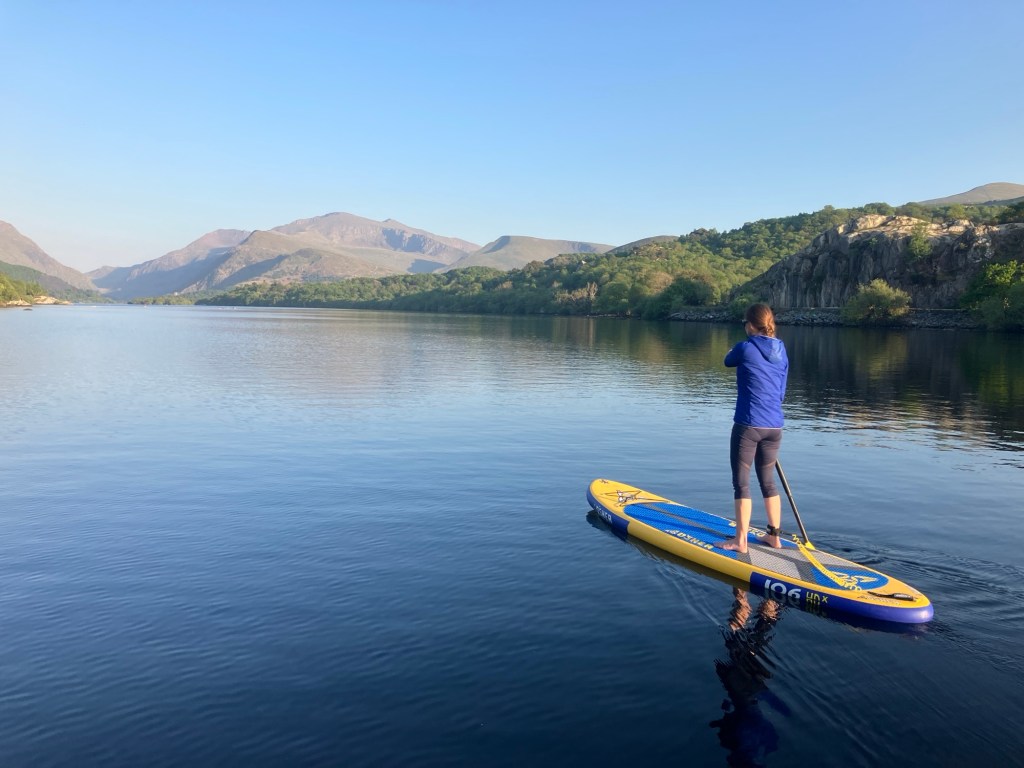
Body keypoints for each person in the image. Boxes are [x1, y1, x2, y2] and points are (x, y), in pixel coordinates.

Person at [718, 303, 789, 554]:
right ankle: (774, 537)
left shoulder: (745, 348)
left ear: (750, 325)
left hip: (748, 425)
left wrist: (735, 348)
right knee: (768, 483)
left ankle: (741, 542)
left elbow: (728, 361)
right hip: (774, 426)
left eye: (744, 323)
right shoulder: (781, 350)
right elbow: (780, 392)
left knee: (742, 484)